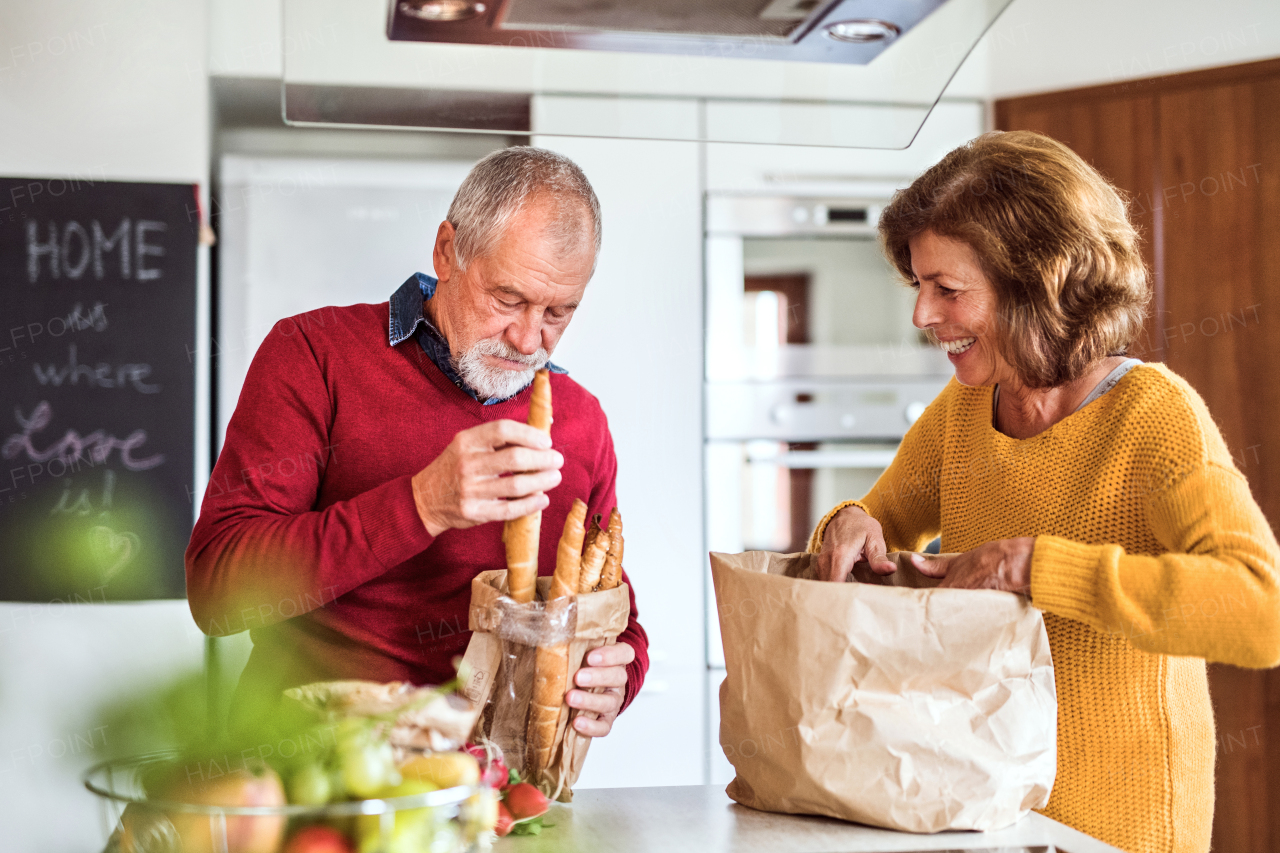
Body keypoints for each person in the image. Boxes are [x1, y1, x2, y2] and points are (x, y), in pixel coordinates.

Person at [810, 131, 1280, 853]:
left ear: (1035, 281)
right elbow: (883, 520)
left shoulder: (1153, 416)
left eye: (948, 289)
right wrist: (849, 521)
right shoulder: (963, 412)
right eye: (918, 286)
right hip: (987, 815)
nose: (922, 316)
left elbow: (1260, 609)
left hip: (1123, 833)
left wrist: (1035, 567)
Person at [186, 147, 648, 740]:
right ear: (447, 251)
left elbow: (614, 608)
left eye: (559, 311)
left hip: (495, 789)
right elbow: (217, 595)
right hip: (311, 773)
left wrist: (620, 676)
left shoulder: (582, 420)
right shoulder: (313, 354)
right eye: (507, 299)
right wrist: (421, 504)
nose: (529, 339)